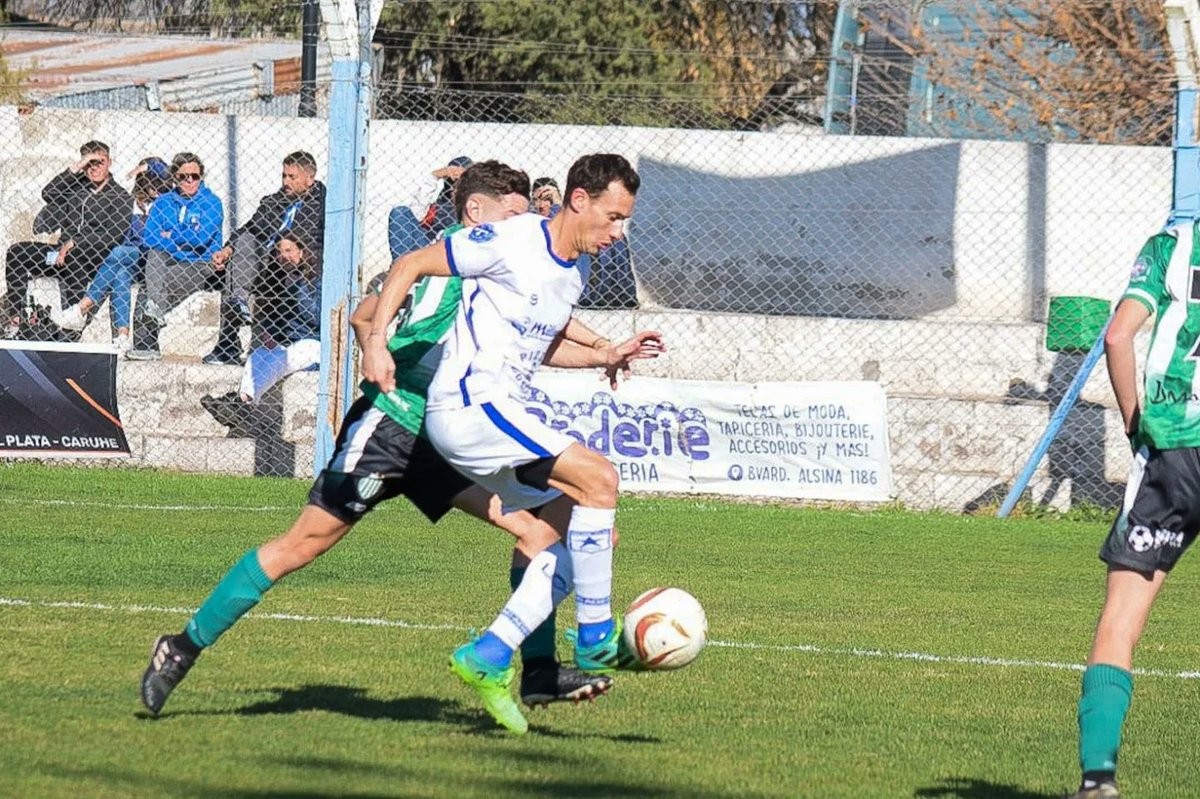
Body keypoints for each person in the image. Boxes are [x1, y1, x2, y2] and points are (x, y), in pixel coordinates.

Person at [136, 160, 650, 723]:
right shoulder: (459, 256)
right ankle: (182, 646)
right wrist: (380, 347)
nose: (523, 220)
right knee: (301, 546)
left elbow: (538, 330)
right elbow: (362, 315)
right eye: (513, 210)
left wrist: (603, 350)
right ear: (476, 213)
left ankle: (535, 670)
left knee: (541, 528)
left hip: (445, 434)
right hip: (392, 424)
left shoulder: (512, 265)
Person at [363, 153, 662, 734]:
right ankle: (597, 639)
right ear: (580, 199)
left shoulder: (574, 273)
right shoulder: (509, 239)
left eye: (625, 221)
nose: (619, 232)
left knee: (579, 527)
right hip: (470, 406)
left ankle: (492, 653)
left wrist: (605, 352)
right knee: (600, 478)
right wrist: (376, 342)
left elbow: (540, 343)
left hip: (504, 409)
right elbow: (410, 263)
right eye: (614, 216)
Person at [1067, 220, 1200, 799]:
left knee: (1122, 616)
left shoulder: (1173, 246)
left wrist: (1131, 421)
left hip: (1174, 448)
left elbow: (1119, 338)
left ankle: (1098, 780)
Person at [205, 151, 327, 366]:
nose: (285, 181)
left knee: (239, 270)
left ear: (310, 179)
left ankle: (233, 334)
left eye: (292, 177)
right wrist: (226, 250)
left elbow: (311, 242)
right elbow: (251, 227)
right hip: (266, 262)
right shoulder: (275, 202)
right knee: (242, 245)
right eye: (284, 176)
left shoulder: (323, 206)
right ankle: (236, 314)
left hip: (299, 266)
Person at [2, 140, 132, 337]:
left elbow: (113, 235)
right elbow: (48, 193)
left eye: (99, 162)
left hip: (92, 258)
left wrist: (76, 242)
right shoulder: (75, 187)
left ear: (109, 163)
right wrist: (78, 167)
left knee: (75, 256)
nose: (94, 168)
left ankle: (71, 328)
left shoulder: (120, 196)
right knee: (17, 252)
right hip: (59, 255)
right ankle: (16, 317)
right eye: (89, 163)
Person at [200, 232, 320, 432]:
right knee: (258, 355)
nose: (283, 256)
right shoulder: (280, 282)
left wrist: (298, 287)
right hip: (289, 343)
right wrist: (270, 332)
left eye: (288, 250)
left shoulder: (315, 281)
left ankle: (239, 407)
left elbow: (316, 318)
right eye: (279, 252)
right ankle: (243, 406)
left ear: (302, 250)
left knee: (286, 356)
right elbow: (278, 318)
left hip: (314, 343)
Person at [57, 158, 171, 351]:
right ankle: (123, 335)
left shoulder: (167, 201)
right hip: (130, 260)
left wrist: (148, 166)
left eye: (158, 180)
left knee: (118, 253)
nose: (156, 185)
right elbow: (125, 183)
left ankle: (83, 306)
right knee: (120, 274)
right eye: (150, 179)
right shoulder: (131, 201)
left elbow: (170, 173)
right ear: (142, 181)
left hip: (153, 259)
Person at [127, 153, 225, 361]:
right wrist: (183, 237)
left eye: (194, 176)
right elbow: (150, 238)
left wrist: (171, 235)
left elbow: (202, 239)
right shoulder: (163, 202)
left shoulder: (211, 202)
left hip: (199, 262)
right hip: (168, 259)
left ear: (201, 177)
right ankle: (147, 340)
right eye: (183, 176)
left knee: (150, 284)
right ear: (174, 177)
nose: (189, 180)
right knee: (154, 257)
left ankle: (149, 335)